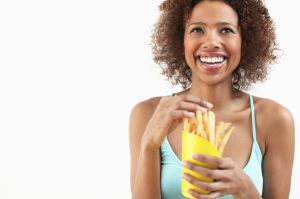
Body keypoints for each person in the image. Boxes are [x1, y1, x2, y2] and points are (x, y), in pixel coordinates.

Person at [129, 0, 295, 198]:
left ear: (245, 40)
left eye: (226, 30)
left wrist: (245, 189)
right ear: (181, 40)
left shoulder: (274, 119)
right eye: (197, 30)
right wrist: (149, 145)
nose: (211, 42)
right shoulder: (149, 113)